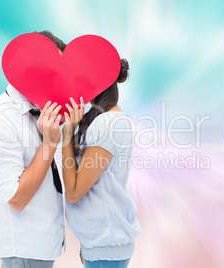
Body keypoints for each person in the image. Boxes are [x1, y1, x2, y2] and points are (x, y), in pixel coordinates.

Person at [0, 30, 66, 268]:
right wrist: (49, 143)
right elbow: (16, 198)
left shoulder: (42, 110)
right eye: (51, 68)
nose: (58, 77)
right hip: (25, 251)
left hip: (45, 246)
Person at [61, 59, 141, 267]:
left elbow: (75, 191)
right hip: (101, 242)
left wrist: (67, 135)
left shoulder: (107, 123)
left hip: (106, 243)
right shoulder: (107, 119)